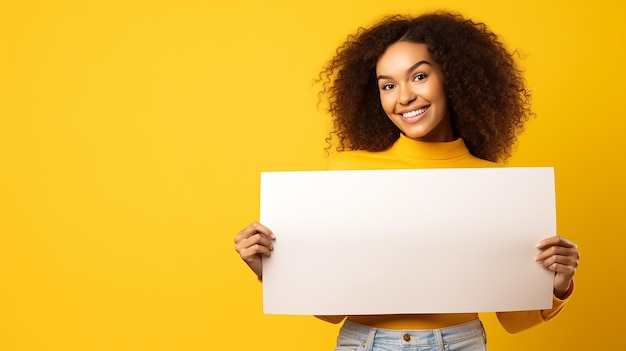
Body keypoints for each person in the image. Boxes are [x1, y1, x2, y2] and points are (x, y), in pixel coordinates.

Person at [234, 11, 580, 351]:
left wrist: (558, 283)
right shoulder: (348, 170)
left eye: (418, 77)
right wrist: (273, 267)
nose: (403, 97)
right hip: (365, 343)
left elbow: (515, 319)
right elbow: (330, 310)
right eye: (388, 85)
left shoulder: (498, 185)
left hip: (460, 343)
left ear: (453, 77)